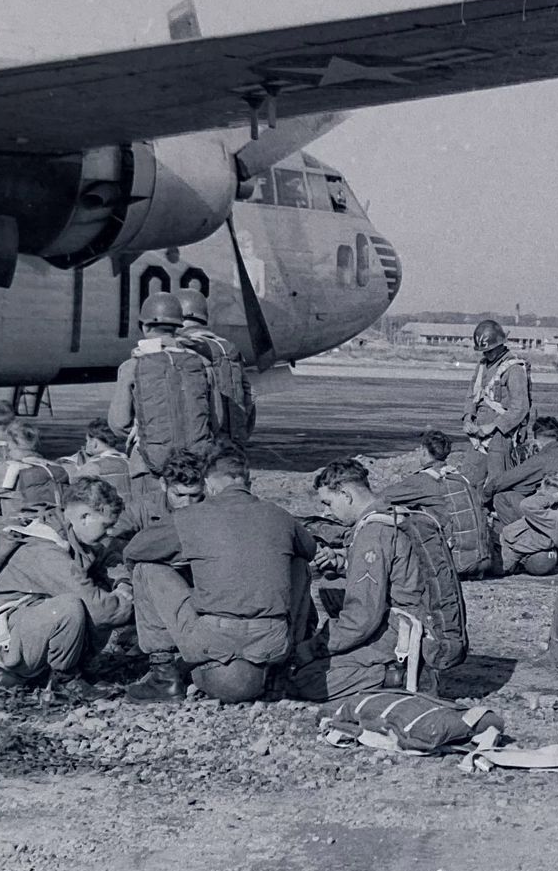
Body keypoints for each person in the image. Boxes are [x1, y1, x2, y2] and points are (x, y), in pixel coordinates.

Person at [120, 451, 318, 703]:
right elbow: (309, 550)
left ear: (209, 485)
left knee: (145, 568)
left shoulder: (190, 517)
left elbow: (134, 551)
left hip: (214, 643)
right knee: (299, 565)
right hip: (272, 643)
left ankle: (163, 675)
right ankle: (282, 671)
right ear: (248, 483)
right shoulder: (279, 515)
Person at [291, 457, 462, 700]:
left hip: (406, 632)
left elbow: (361, 618)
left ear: (346, 494)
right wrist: (342, 562)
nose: (327, 512)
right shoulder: (393, 514)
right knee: (332, 586)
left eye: (328, 503)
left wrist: (314, 647)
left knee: (307, 679)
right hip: (427, 625)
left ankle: (400, 675)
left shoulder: (373, 532)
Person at [0, 492, 132, 690]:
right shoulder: (44, 550)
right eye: (106, 525)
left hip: (27, 631)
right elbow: (101, 611)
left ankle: (70, 666)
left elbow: (108, 556)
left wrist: (123, 583)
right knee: (70, 607)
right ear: (85, 517)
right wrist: (129, 601)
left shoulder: (62, 528)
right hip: (4, 656)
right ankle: (65, 680)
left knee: (94, 591)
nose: (109, 532)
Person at [109, 292, 221, 520]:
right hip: (195, 466)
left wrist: (145, 431)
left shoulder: (132, 365)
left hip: (147, 466)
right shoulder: (202, 363)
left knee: (152, 527)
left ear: (144, 326)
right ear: (179, 325)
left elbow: (118, 423)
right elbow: (217, 420)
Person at [483, 415, 558, 575]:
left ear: (537, 442)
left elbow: (502, 482)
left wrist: (483, 500)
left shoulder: (543, 459)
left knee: (502, 497)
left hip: (553, 521)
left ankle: (524, 547)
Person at [384, 431, 496, 578]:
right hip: (483, 561)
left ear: (424, 451)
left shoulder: (424, 480)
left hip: (457, 564)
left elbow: (384, 497)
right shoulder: (459, 477)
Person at [177, 287, 254, 450]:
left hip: (199, 442)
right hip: (233, 442)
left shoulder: (182, 348)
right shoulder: (229, 348)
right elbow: (249, 396)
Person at [462, 318, 533, 469]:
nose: (487, 354)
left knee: (498, 478)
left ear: (500, 345)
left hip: (501, 435)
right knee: (469, 475)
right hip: (478, 433)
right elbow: (472, 395)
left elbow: (520, 408)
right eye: (484, 351)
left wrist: (494, 426)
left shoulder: (514, 370)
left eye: (490, 351)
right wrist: (468, 418)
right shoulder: (482, 366)